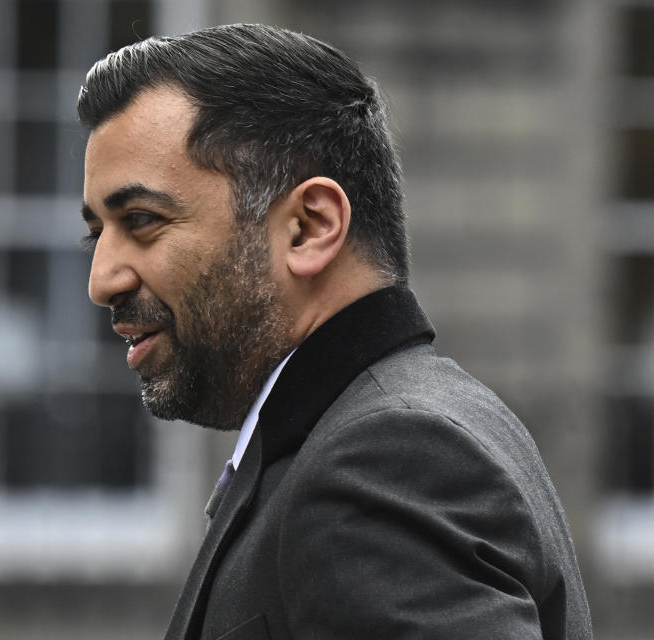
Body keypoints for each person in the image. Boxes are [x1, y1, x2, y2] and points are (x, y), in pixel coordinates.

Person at [77, 23, 592, 640]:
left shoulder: (383, 461)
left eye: (141, 220)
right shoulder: (389, 430)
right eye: (96, 233)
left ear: (309, 228)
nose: (101, 279)